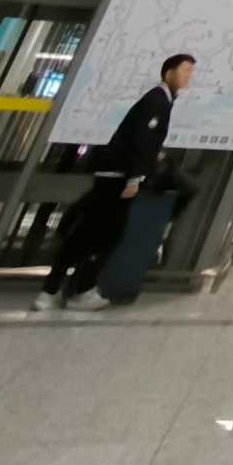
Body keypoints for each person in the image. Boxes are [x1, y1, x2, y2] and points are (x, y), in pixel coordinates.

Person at [35, 53, 194, 310]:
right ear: (169, 73)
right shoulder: (157, 100)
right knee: (105, 236)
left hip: (114, 174)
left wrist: (155, 157)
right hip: (119, 177)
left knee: (88, 232)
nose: (189, 77)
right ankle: (81, 291)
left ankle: (50, 291)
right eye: (185, 70)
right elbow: (142, 141)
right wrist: (134, 179)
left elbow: (143, 140)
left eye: (190, 72)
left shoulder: (161, 100)